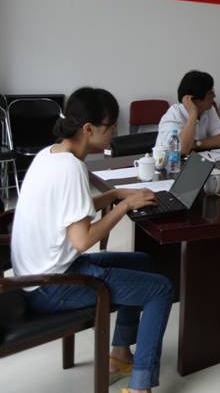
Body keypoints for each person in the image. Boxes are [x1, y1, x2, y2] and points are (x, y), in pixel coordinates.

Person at [10, 88, 172, 393]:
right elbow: (82, 239)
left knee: (144, 263)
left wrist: (115, 194)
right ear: (88, 129)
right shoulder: (71, 168)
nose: (115, 132)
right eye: (111, 126)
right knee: (160, 289)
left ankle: (120, 355)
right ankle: (141, 386)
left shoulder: (51, 154)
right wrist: (124, 206)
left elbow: (72, 212)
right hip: (51, 286)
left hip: (37, 275)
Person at [155, 70, 220, 155]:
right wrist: (193, 114)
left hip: (196, 159)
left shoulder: (209, 110)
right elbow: (182, 149)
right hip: (169, 161)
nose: (214, 96)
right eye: (210, 93)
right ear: (193, 99)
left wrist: (195, 144)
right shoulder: (173, 115)